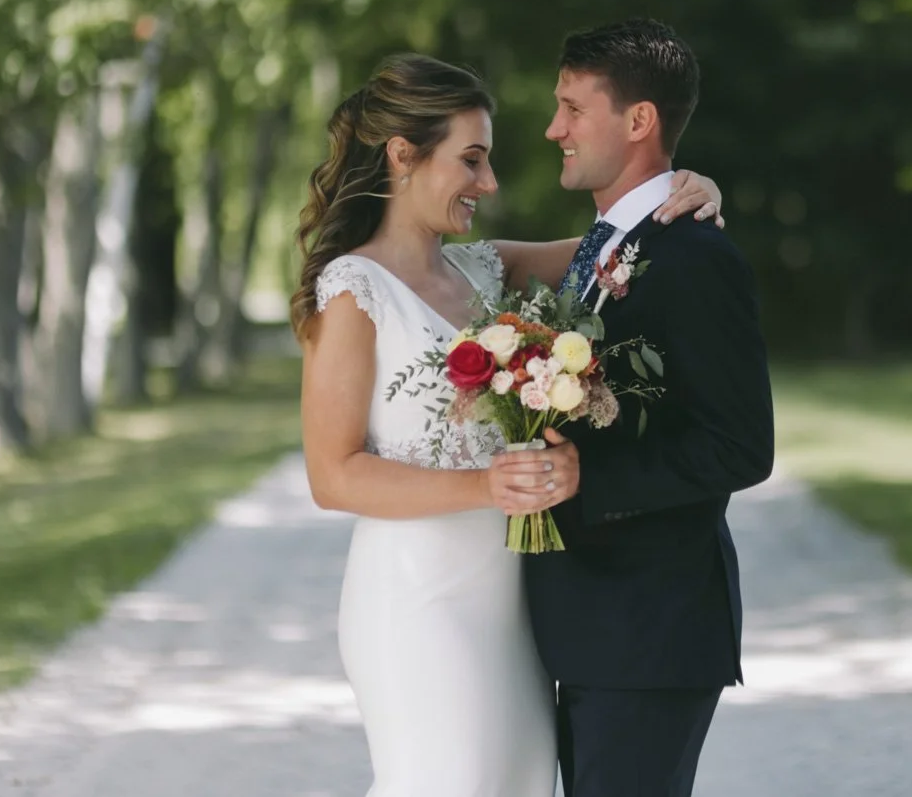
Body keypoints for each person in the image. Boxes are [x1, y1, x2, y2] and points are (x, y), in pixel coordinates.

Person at [293, 53, 724, 797]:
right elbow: (333, 475)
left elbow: (624, 252)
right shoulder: (353, 290)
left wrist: (692, 191)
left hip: (512, 605)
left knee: (517, 784)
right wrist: (487, 483)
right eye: (472, 159)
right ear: (403, 154)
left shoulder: (484, 270)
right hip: (418, 599)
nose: (488, 184)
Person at [501, 19, 775, 797]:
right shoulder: (611, 245)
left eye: (571, 108)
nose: (554, 127)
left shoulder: (696, 255)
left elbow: (741, 447)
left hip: (650, 630)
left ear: (639, 120)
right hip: (595, 627)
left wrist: (585, 473)